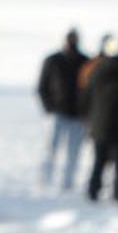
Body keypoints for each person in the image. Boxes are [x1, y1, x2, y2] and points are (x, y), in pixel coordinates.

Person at [81, 36, 118, 203]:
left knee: (99, 161)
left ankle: (93, 191)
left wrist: (88, 118)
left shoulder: (95, 71)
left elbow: (85, 98)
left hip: (99, 126)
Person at [37, 29, 88, 190]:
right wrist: (48, 107)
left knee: (73, 153)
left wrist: (86, 112)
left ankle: (68, 184)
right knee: (50, 150)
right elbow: (42, 86)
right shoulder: (53, 60)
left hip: (78, 115)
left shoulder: (84, 61)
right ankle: (44, 182)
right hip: (57, 113)